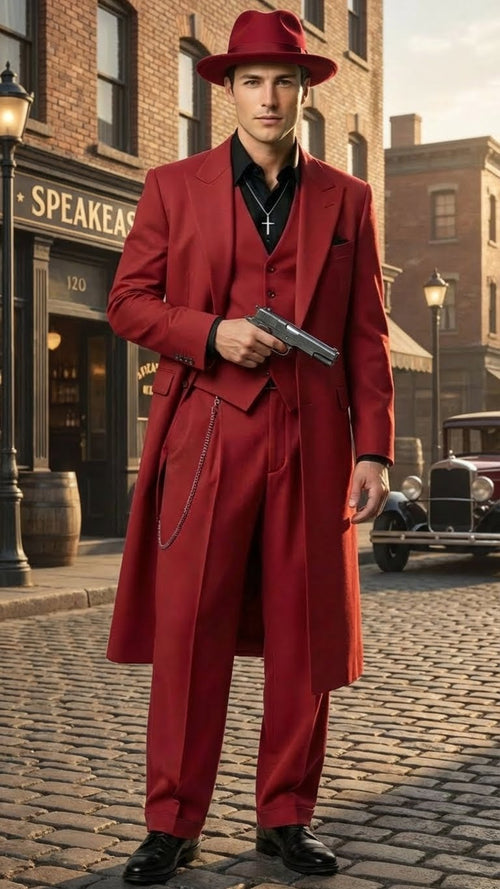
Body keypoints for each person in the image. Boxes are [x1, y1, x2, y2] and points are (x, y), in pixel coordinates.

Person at [106, 8, 394, 884]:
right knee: (191, 631)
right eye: (253, 82)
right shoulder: (172, 186)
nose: (269, 97)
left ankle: (285, 816)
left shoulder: (349, 199)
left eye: (285, 82)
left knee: (304, 635)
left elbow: (369, 334)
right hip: (206, 437)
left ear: (303, 94)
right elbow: (126, 302)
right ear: (228, 91)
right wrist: (210, 333)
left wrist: (374, 449)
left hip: (313, 441)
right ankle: (172, 823)